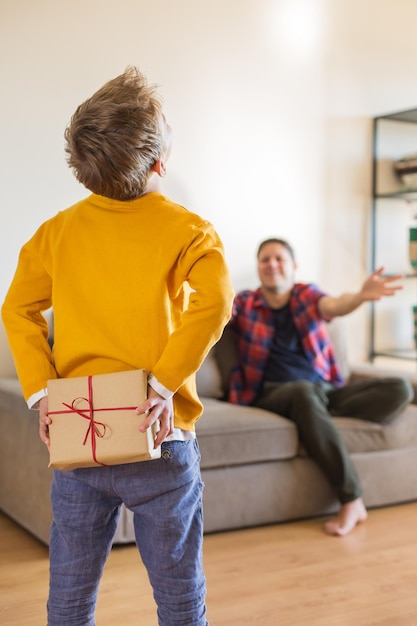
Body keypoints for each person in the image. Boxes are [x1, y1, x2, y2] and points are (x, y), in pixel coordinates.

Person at [1, 66, 234, 625]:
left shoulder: (56, 232)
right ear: (159, 161)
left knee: (71, 597)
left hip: (81, 436)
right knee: (180, 597)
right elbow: (216, 303)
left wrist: (41, 395)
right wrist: (160, 383)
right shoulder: (188, 230)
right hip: (161, 435)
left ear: (82, 172)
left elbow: (17, 309)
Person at [225, 237, 413, 537]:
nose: (272, 264)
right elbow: (211, 315)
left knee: (400, 388)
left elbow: (335, 305)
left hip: (324, 390)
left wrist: (361, 296)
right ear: (259, 268)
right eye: (265, 260)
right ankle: (352, 499)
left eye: (279, 258)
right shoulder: (245, 303)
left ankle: (315, 417)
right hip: (275, 393)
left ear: (293, 266)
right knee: (302, 392)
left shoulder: (306, 296)